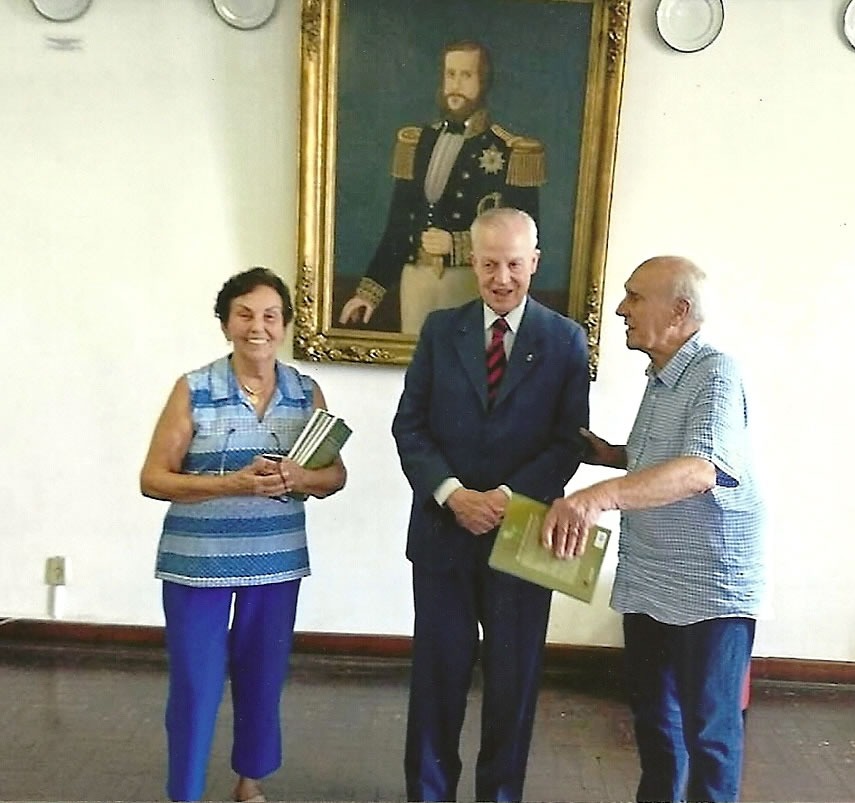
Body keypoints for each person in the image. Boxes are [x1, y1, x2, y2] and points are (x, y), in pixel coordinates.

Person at [542, 256, 765, 803]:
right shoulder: (662, 376)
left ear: (679, 310)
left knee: (709, 732)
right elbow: (662, 456)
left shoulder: (715, 372)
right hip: (651, 579)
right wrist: (611, 455)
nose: (621, 308)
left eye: (635, 297)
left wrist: (597, 496)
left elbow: (700, 468)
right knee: (654, 722)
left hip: (708, 588)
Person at [392, 207, 589, 802]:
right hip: (443, 533)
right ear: (470, 262)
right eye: (488, 264)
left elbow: (567, 441)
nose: (501, 278)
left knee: (514, 685)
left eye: (513, 264)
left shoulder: (565, 340)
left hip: (526, 532)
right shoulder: (438, 330)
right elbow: (411, 428)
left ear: (534, 262)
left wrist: (502, 499)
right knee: (437, 681)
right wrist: (454, 496)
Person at [139, 267, 347, 803]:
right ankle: (183, 793)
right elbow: (153, 479)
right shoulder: (194, 388)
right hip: (196, 564)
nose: (258, 327)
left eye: (270, 316)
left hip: (276, 564)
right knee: (195, 686)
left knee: (262, 681)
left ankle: (249, 783)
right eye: (245, 315)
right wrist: (230, 483)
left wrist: (302, 478)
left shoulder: (306, 391)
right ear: (226, 323)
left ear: (285, 326)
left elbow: (334, 475)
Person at [339, 39, 545, 335]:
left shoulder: (511, 151)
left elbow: (525, 242)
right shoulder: (418, 142)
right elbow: (398, 227)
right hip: (416, 280)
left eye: (466, 75)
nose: (456, 85)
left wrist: (457, 244)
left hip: (469, 283)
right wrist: (368, 293)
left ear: (483, 82)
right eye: (450, 75)